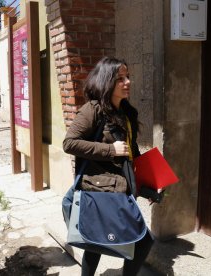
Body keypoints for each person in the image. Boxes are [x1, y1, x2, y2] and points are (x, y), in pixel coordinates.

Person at [62, 56, 154, 276]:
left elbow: (133, 153)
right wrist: (110, 150)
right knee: (134, 242)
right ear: (107, 81)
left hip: (120, 189)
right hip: (98, 190)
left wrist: (150, 183)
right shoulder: (93, 110)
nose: (127, 82)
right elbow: (69, 143)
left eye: (128, 76)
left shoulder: (128, 113)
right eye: (120, 78)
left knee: (102, 243)